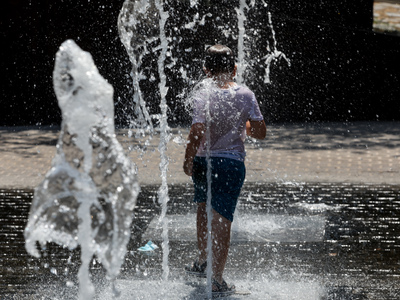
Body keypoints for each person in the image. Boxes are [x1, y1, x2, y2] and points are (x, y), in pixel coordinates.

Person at [183, 44, 266, 296]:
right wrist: (245, 124)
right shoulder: (246, 94)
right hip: (230, 164)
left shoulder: (202, 93)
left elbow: (197, 130)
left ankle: (202, 261)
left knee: (203, 207)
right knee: (223, 219)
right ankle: (216, 279)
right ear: (235, 68)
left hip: (203, 162)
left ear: (206, 70)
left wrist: (188, 159)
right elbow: (260, 132)